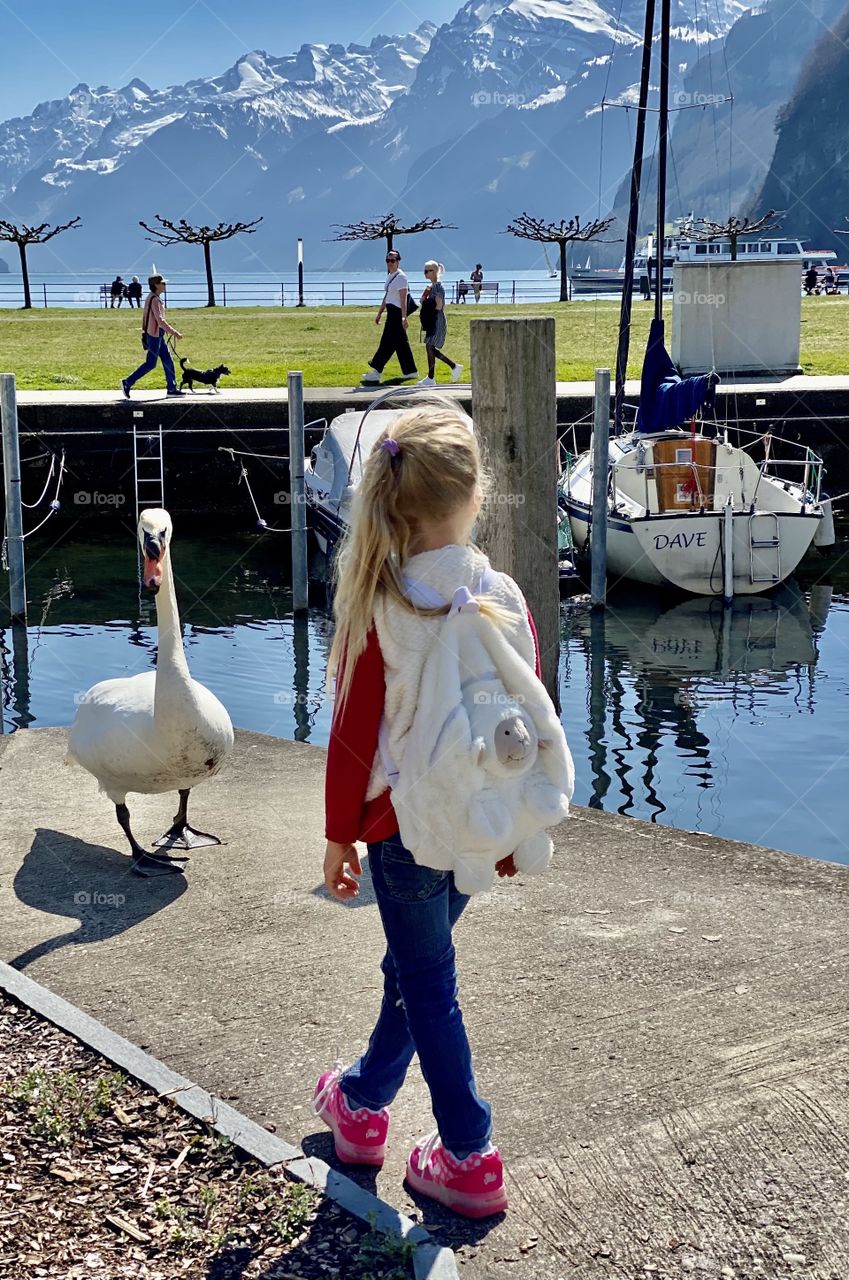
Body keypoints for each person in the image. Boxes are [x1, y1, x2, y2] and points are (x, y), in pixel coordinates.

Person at [315, 402, 544, 1219]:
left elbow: (350, 737)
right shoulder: (502, 595)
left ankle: (467, 1151)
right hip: (477, 823)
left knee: (426, 976)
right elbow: (524, 716)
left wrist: (339, 834)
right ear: (477, 496)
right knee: (417, 968)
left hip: (401, 828)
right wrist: (516, 827)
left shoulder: (383, 605)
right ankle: (363, 1103)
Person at [121, 274, 183, 398]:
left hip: (156, 334)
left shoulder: (151, 297)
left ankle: (171, 388)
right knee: (151, 363)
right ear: (156, 285)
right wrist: (174, 332)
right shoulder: (154, 299)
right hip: (154, 336)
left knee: (168, 360)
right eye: (163, 283)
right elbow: (160, 320)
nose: (165, 285)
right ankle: (127, 382)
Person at [361, 249, 418, 385]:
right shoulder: (391, 276)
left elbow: (403, 299)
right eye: (388, 260)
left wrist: (404, 317)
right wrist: (380, 313)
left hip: (397, 313)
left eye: (393, 260)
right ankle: (411, 371)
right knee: (400, 344)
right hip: (391, 311)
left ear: (398, 261)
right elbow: (387, 296)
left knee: (386, 342)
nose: (390, 263)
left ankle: (377, 371)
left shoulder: (401, 277)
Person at [416, 261, 463, 387]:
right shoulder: (430, 287)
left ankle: (433, 377)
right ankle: (452, 368)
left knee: (429, 346)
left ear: (435, 271)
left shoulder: (437, 287)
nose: (426, 273)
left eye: (428, 270)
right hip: (433, 320)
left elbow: (439, 305)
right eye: (425, 271)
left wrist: (426, 304)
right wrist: (424, 300)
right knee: (430, 347)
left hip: (437, 320)